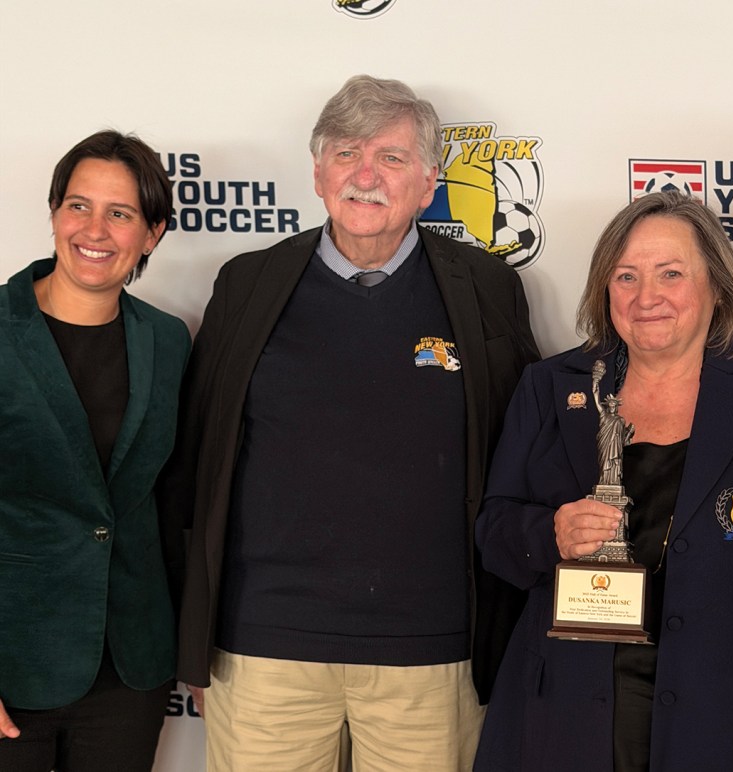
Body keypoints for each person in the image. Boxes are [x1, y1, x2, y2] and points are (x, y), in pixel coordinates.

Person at [162, 74, 539, 771]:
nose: (365, 176)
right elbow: (195, 466)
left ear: (428, 183)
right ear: (318, 173)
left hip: (433, 659)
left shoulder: (488, 289)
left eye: (391, 157)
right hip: (263, 651)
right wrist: (194, 642)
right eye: (346, 154)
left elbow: (524, 457)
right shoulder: (246, 284)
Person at [474, 191, 733, 771]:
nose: (647, 298)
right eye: (627, 276)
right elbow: (494, 532)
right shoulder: (550, 386)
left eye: (671, 273)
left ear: (717, 287)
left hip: (723, 718)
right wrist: (550, 533)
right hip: (565, 708)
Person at [0, 131, 189, 770]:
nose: (94, 230)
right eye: (78, 205)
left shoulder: (168, 341)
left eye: (121, 213)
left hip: (130, 671)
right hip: (12, 665)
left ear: (152, 234)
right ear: (55, 213)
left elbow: (171, 503)